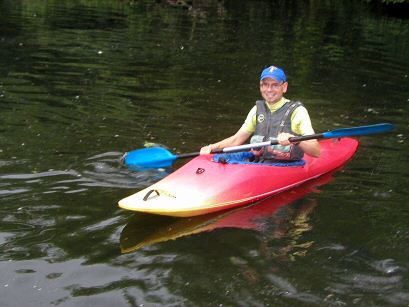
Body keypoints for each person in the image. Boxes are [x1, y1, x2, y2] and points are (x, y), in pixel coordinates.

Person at [200, 65, 320, 162]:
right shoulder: (257, 110)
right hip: (259, 163)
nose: (269, 90)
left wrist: (295, 140)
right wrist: (211, 147)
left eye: (275, 85)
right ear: (260, 86)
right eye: (265, 85)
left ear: (284, 87)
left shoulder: (297, 112)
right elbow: (236, 140)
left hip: (288, 166)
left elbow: (316, 151)